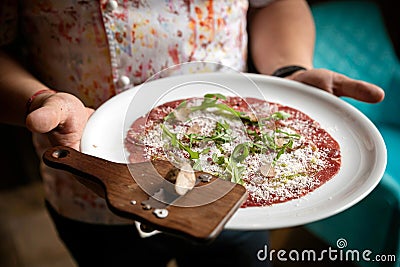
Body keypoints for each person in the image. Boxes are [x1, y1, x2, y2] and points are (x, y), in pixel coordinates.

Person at [0, 0, 384, 266]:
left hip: (236, 194)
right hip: (93, 184)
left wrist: (288, 72)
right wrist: (40, 100)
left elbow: (274, 5)